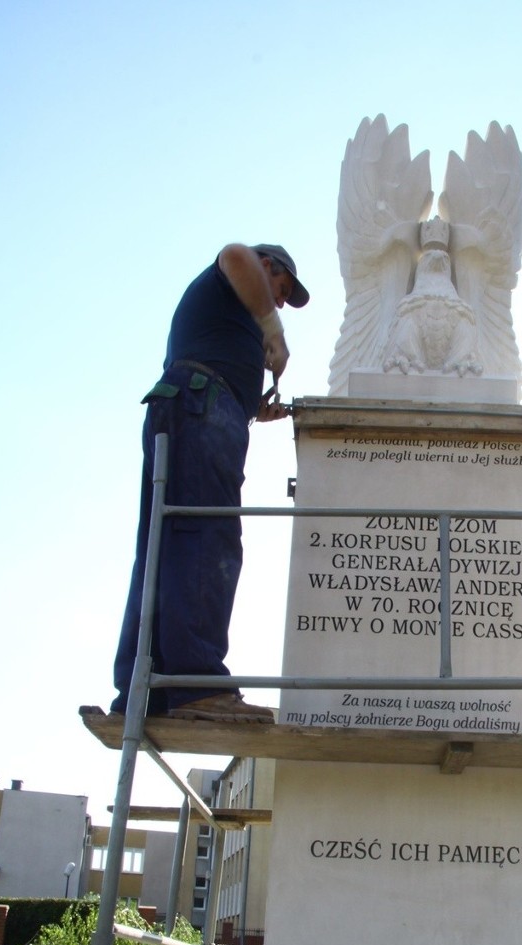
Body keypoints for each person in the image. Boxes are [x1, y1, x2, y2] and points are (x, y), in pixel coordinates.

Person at [110, 243, 309, 723]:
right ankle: (197, 683)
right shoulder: (241, 267)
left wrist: (253, 408)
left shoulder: (222, 314)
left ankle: (148, 686)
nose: (278, 304)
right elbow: (235, 254)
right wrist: (272, 332)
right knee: (208, 539)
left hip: (194, 403)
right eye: (281, 290)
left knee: (165, 542)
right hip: (201, 405)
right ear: (268, 267)